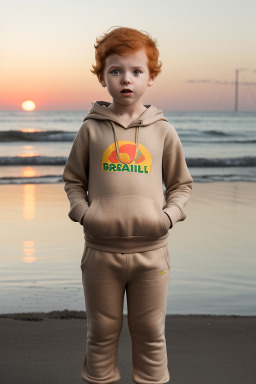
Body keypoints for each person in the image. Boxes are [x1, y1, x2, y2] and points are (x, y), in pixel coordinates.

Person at [62, 26, 193, 384]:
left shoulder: (163, 130)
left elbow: (181, 184)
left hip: (152, 252)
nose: (126, 79)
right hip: (100, 251)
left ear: (151, 78)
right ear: (103, 77)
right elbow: (73, 180)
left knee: (150, 333)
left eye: (136, 71)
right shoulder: (90, 129)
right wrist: (83, 213)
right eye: (115, 71)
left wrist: (168, 217)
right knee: (101, 332)